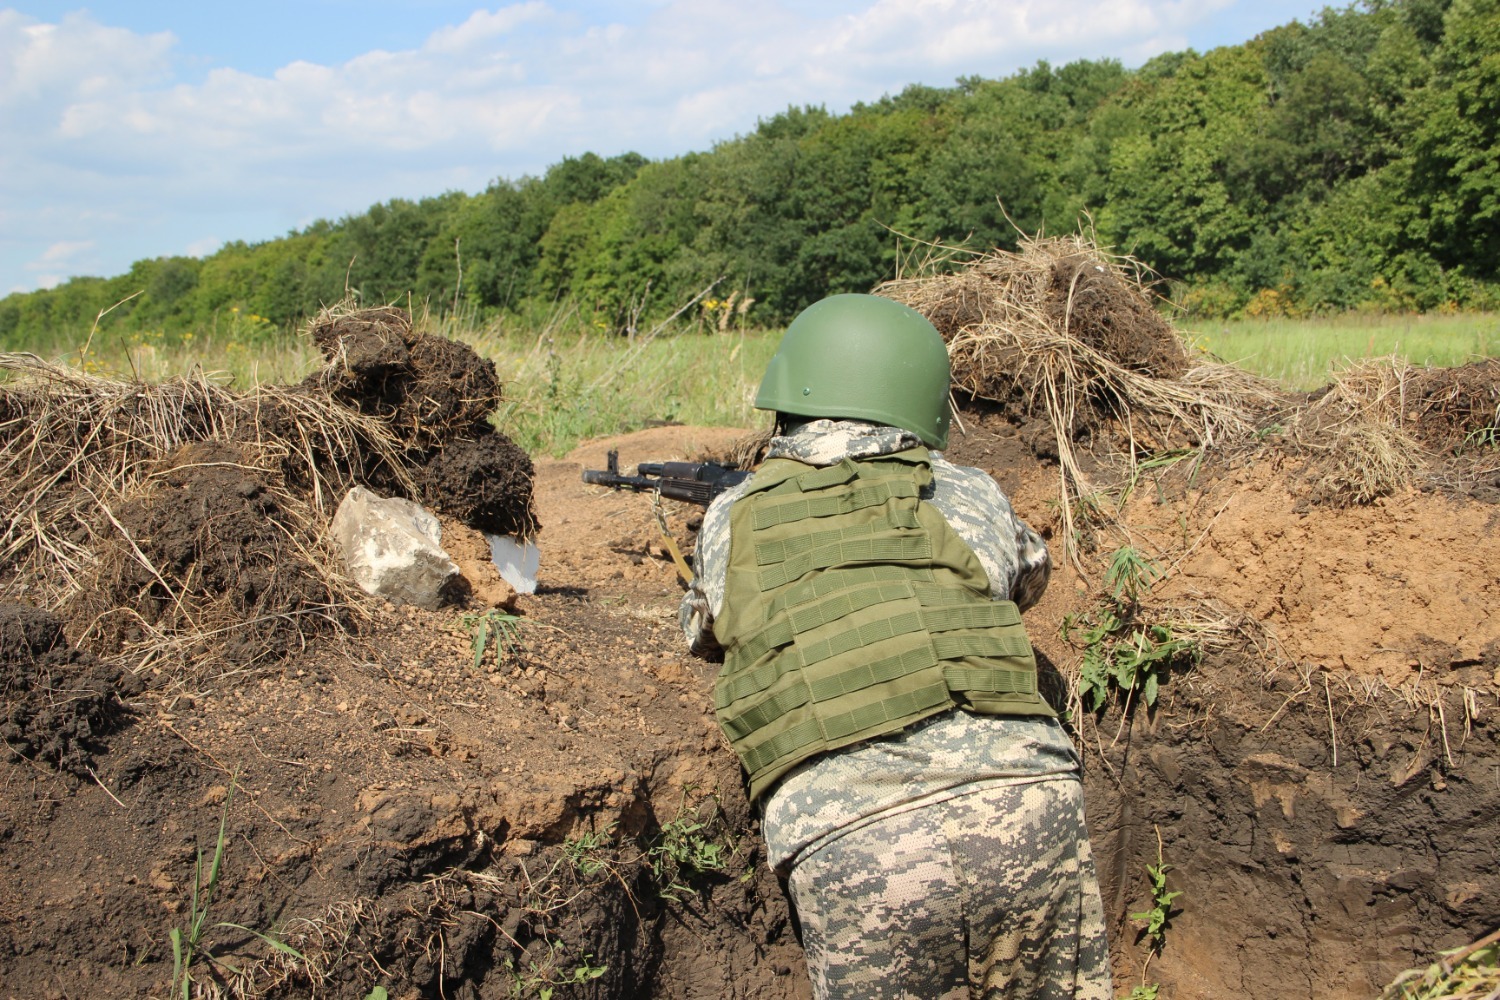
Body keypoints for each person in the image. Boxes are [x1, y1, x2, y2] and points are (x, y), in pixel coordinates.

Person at [679, 293, 1113, 999]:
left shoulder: (735, 513)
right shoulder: (968, 489)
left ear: (788, 394)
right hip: (1030, 800)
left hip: (857, 832)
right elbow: (1028, 576)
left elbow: (704, 632)